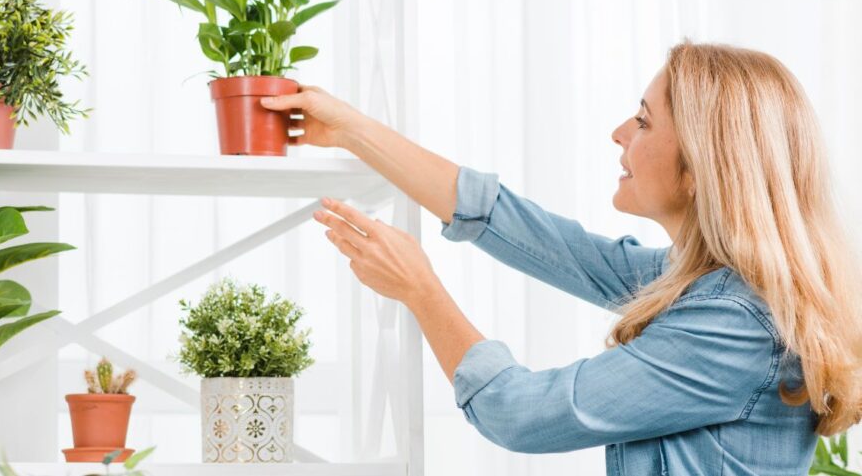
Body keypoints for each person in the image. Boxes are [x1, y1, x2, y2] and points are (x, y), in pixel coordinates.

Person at [261, 41, 862, 475]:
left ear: (701, 168)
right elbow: (524, 230)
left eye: (644, 121)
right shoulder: (703, 285)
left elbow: (521, 414)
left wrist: (420, 290)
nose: (619, 132)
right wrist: (350, 130)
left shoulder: (733, 323)